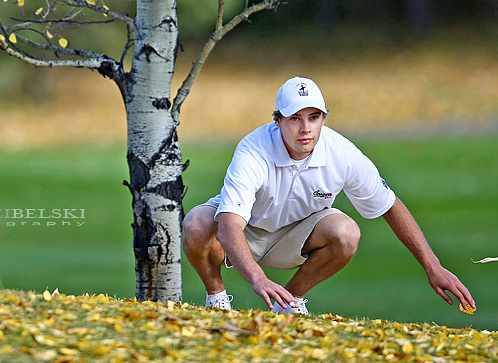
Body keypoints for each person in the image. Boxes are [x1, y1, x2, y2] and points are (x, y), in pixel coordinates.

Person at [182, 76, 476, 314]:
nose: (305, 128)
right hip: (246, 234)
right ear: (278, 121)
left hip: (297, 238)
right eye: (295, 118)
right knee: (197, 223)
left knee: (346, 233)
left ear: (323, 118)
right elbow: (230, 225)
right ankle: (217, 300)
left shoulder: (342, 153)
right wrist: (258, 279)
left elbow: (389, 205)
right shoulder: (253, 149)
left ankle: (290, 303)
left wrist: (432, 266)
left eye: (314, 117)